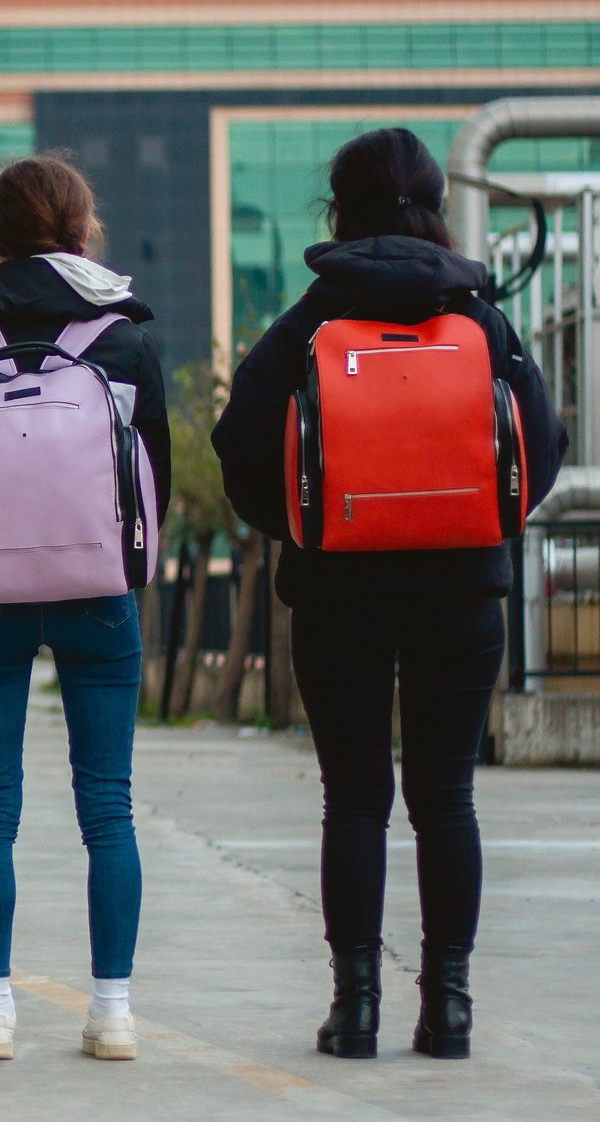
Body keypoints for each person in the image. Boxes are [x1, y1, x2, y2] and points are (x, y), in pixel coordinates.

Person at [212, 127, 564, 1060]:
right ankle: (448, 1007)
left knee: (356, 798)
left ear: (340, 212)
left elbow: (239, 440)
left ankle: (355, 1008)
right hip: (463, 592)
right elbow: (544, 445)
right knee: (447, 796)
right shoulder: (480, 318)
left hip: (338, 593)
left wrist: (301, 526)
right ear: (435, 207)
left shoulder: (311, 321)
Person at [0, 154, 170, 1062]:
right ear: (80, 229)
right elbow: (155, 481)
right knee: (109, 807)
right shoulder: (125, 338)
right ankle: (113, 1013)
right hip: (98, 591)